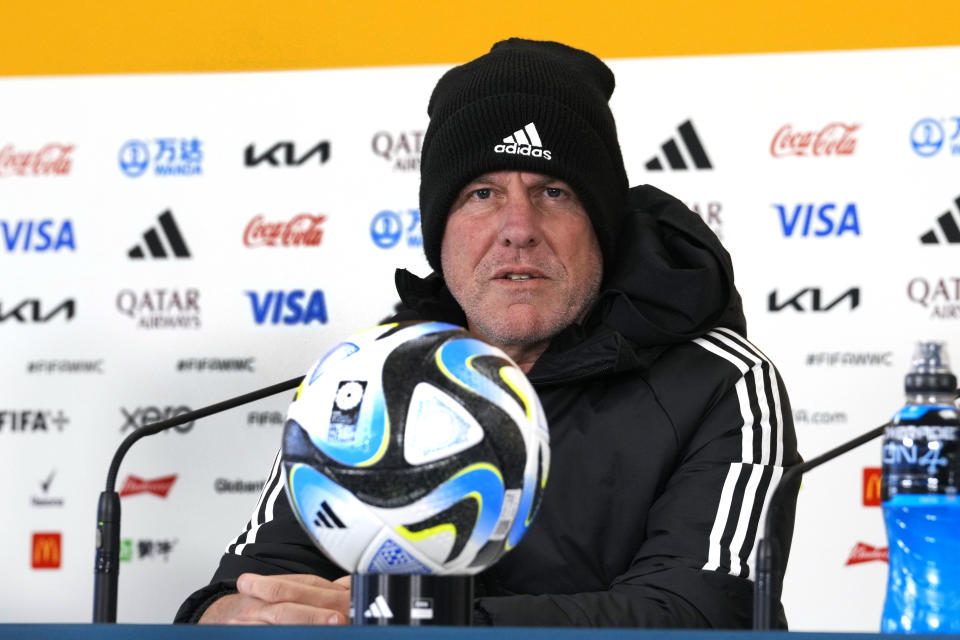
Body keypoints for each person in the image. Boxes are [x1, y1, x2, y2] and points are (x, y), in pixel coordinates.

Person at [175, 38, 799, 628]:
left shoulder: (720, 383)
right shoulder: (369, 378)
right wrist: (228, 614)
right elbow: (258, 580)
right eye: (482, 193)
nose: (518, 227)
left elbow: (698, 615)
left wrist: (416, 615)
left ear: (603, 227)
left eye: (553, 192)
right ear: (438, 230)